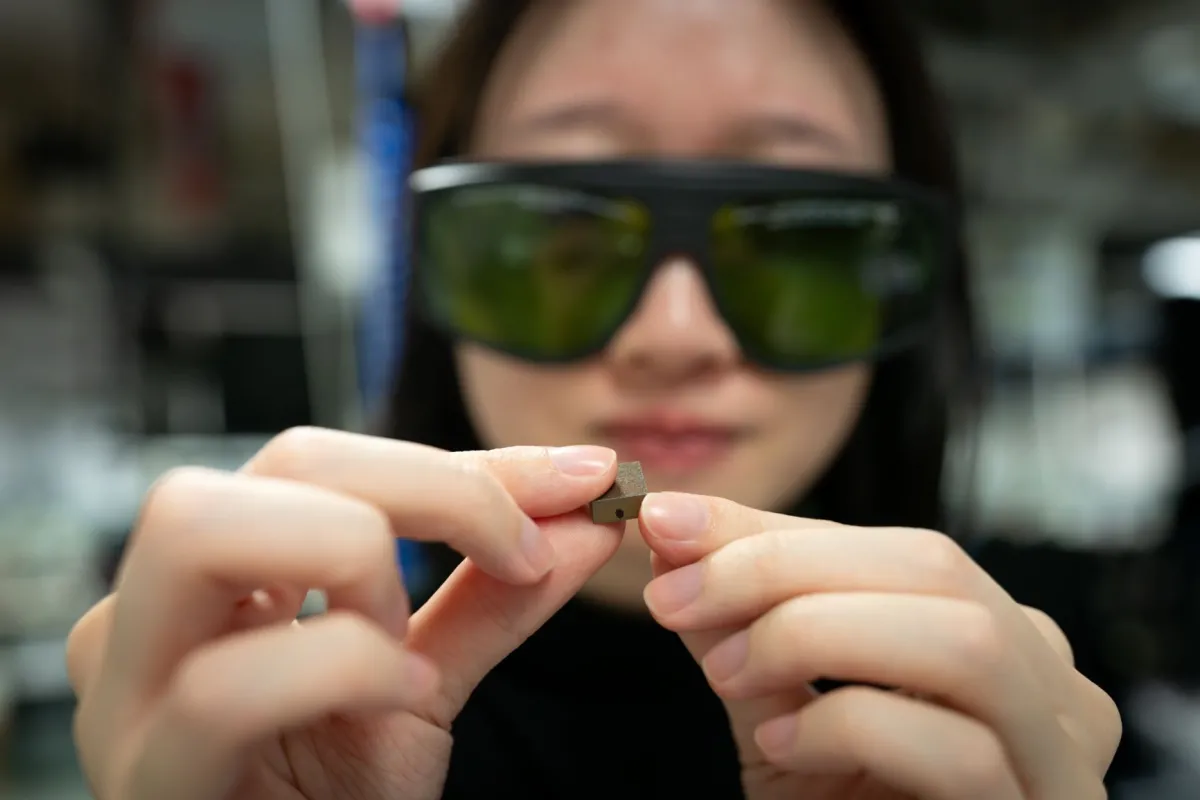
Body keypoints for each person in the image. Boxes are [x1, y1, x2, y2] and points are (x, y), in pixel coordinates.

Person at [65, 0, 1122, 798]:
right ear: (434, 277)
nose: (674, 336)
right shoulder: (283, 731)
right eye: (559, 237)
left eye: (801, 238)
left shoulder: (1029, 700)